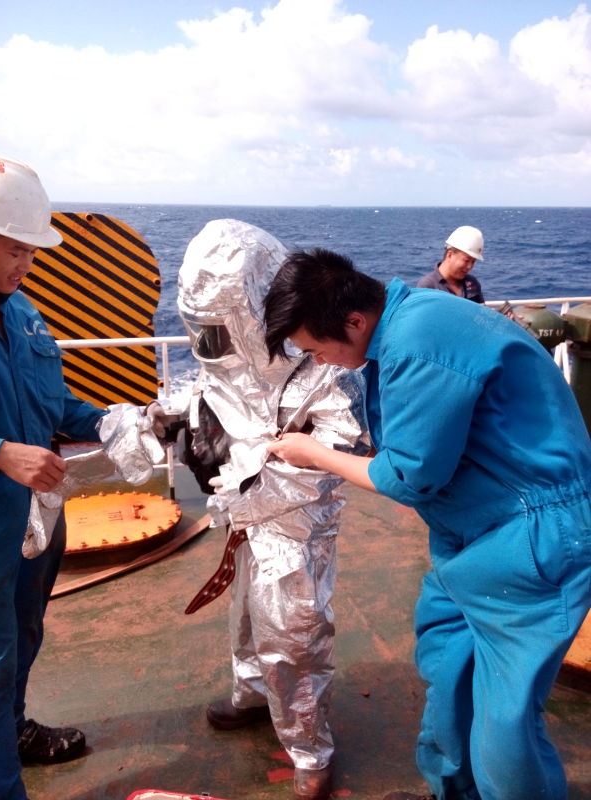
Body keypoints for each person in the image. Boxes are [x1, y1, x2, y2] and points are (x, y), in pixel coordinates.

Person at [261, 247, 591, 800]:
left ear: (354, 321)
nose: (319, 362)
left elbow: (409, 477)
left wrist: (314, 453)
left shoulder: (419, 340)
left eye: (316, 350)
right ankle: (454, 791)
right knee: (449, 660)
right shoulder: (404, 324)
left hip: (531, 533)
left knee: (505, 717)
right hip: (476, 528)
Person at [175, 220, 369, 800]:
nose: (211, 342)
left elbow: (341, 452)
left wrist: (248, 481)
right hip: (246, 523)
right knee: (245, 619)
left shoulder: (321, 365)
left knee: (293, 639)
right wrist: (178, 423)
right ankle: (254, 694)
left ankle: (311, 753)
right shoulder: (227, 360)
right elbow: (214, 395)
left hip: (296, 533)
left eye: (220, 326)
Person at [0, 157, 108, 800]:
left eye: (32, 252)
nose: (26, 264)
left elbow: (53, 404)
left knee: (23, 639)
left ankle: (10, 735)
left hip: (35, 523)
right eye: (15, 249)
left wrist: (116, 420)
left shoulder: (24, 312)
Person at [417, 225, 485, 303]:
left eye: (473, 262)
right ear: (450, 255)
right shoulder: (428, 286)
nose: (469, 266)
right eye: (466, 260)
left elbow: (481, 309)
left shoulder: (473, 283)